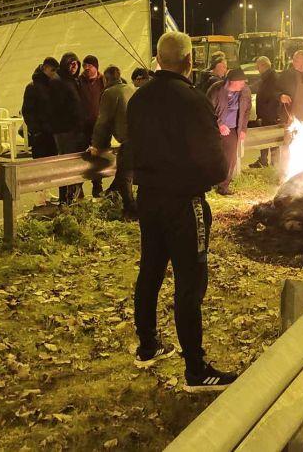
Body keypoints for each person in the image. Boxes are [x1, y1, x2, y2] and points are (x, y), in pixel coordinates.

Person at [128, 31, 237, 393]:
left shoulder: (139, 99)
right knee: (190, 282)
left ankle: (147, 344)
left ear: (159, 59)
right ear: (189, 60)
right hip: (183, 203)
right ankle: (195, 368)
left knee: (150, 270)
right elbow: (215, 165)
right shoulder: (193, 101)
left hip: (149, 198)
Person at [89, 66, 136, 216]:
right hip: (142, 137)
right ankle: (127, 205)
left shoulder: (110, 93)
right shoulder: (129, 89)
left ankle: (131, 210)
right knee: (125, 175)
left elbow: (103, 122)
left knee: (124, 178)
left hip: (129, 140)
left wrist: (97, 145)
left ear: (106, 78)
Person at [207, 68, 251, 196]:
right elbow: (207, 108)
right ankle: (209, 182)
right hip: (215, 129)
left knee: (230, 158)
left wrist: (243, 129)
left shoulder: (245, 91)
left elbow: (247, 110)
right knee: (213, 155)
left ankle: (223, 186)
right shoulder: (216, 89)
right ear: (233, 82)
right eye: (242, 82)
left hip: (233, 129)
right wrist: (220, 124)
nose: (244, 84)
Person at [50, 52, 85, 204]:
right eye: (71, 64)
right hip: (64, 130)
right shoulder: (58, 81)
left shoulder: (73, 80)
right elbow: (57, 107)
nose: (74, 67)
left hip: (74, 128)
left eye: (76, 64)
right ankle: (66, 196)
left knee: (74, 162)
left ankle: (74, 193)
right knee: (65, 164)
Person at [79, 55, 107, 197]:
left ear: (96, 67)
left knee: (97, 155)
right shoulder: (79, 81)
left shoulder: (103, 80)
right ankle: (79, 187)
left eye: (90, 65)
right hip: (83, 125)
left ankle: (97, 185)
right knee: (83, 155)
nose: (87, 68)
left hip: (98, 125)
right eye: (85, 65)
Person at [249, 56, 282, 169]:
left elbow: (272, 98)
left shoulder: (272, 78)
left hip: (270, 115)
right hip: (267, 115)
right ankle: (264, 161)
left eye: (258, 66)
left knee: (272, 140)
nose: (257, 69)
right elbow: (257, 87)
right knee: (265, 138)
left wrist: (265, 115)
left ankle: (274, 163)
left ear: (263, 65)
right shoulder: (267, 77)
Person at [22, 61, 58, 159]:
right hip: (40, 135)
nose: (55, 73)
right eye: (53, 70)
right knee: (39, 166)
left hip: (53, 134)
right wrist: (36, 131)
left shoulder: (53, 85)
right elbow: (27, 111)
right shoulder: (32, 87)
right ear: (45, 68)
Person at [279, 50, 303, 124]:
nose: (301, 65)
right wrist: (281, 96)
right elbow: (274, 91)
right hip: (291, 116)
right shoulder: (286, 75)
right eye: (296, 61)